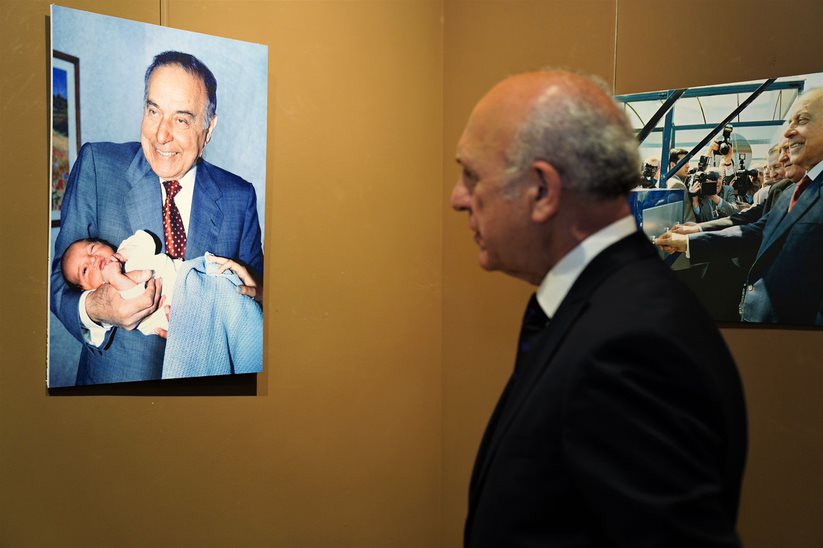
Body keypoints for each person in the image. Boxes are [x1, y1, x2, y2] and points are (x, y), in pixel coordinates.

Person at [451, 70, 747, 547]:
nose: (458, 199)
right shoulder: (607, 309)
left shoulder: (633, 349)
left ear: (542, 191)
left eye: (471, 175)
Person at [50, 51, 264, 385]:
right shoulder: (98, 165)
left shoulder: (239, 196)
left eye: (181, 120)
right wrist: (96, 307)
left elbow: (261, 289)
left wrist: (256, 294)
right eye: (153, 111)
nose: (161, 135)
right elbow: (57, 280)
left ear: (208, 129)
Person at [656, 87, 823, 325]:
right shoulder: (793, 190)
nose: (788, 133)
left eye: (803, 120)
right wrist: (690, 239)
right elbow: (757, 229)